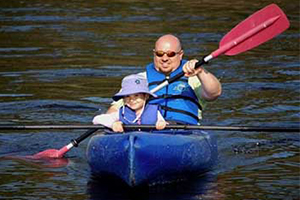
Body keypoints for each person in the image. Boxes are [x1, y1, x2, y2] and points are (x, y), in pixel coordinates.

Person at [107, 34, 222, 125]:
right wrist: (111, 125)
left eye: (171, 54)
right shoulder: (140, 80)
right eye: (160, 54)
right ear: (154, 54)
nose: (165, 58)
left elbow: (214, 93)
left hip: (185, 131)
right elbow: (115, 108)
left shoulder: (194, 77)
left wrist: (201, 72)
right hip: (148, 131)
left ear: (180, 54)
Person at [93, 74, 167, 132]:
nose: (132, 99)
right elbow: (97, 119)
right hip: (127, 140)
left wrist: (161, 123)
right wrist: (113, 124)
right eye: (127, 96)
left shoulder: (154, 111)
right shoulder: (122, 112)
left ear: (146, 96)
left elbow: (162, 121)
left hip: (149, 141)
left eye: (136, 95)